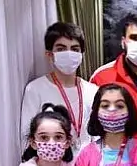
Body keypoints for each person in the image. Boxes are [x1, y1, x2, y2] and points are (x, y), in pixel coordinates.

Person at [20, 22, 99, 154]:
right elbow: (27, 138)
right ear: (49, 54)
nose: (69, 54)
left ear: (81, 55)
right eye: (61, 49)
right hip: (51, 163)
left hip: (87, 163)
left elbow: (98, 136)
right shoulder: (35, 89)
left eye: (75, 49)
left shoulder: (93, 90)